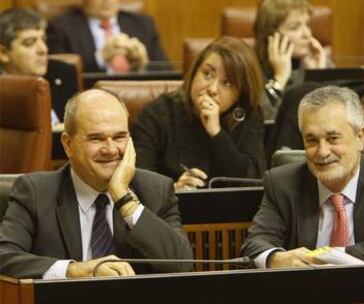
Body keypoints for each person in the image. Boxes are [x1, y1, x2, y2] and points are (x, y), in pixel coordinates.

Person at [0, 89, 193, 279]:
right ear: (68, 144)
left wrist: (124, 199)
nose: (110, 150)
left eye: (119, 137)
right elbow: (4, 255)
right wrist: (75, 271)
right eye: (96, 138)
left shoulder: (156, 190)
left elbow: (183, 264)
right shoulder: (35, 193)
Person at [241, 86, 364, 268]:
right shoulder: (282, 184)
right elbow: (255, 244)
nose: (322, 152)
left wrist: (331, 256)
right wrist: (275, 258)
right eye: (312, 140)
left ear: (359, 137)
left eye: (333, 138)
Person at [132, 36, 266, 191]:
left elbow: (253, 182)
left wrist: (216, 133)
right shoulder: (157, 113)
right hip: (170, 211)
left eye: (227, 83)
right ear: (194, 72)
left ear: (240, 93)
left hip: (231, 211)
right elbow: (139, 180)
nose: (212, 89)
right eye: (207, 74)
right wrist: (173, 189)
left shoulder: (248, 115)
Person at [254, 0, 330, 120]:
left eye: (308, 25)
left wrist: (317, 76)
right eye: (294, 28)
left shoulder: (321, 61)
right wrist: (279, 77)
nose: (307, 34)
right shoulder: (252, 68)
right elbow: (262, 119)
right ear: (271, 35)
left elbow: (330, 120)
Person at [0, 7, 79, 124]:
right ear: (3, 53)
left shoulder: (63, 73)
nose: (44, 49)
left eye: (43, 40)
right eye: (29, 43)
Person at [47, 0, 168, 73]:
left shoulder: (142, 24)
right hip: (90, 96)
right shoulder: (61, 28)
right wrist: (100, 58)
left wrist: (143, 63)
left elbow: (167, 71)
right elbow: (61, 76)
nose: (107, 0)